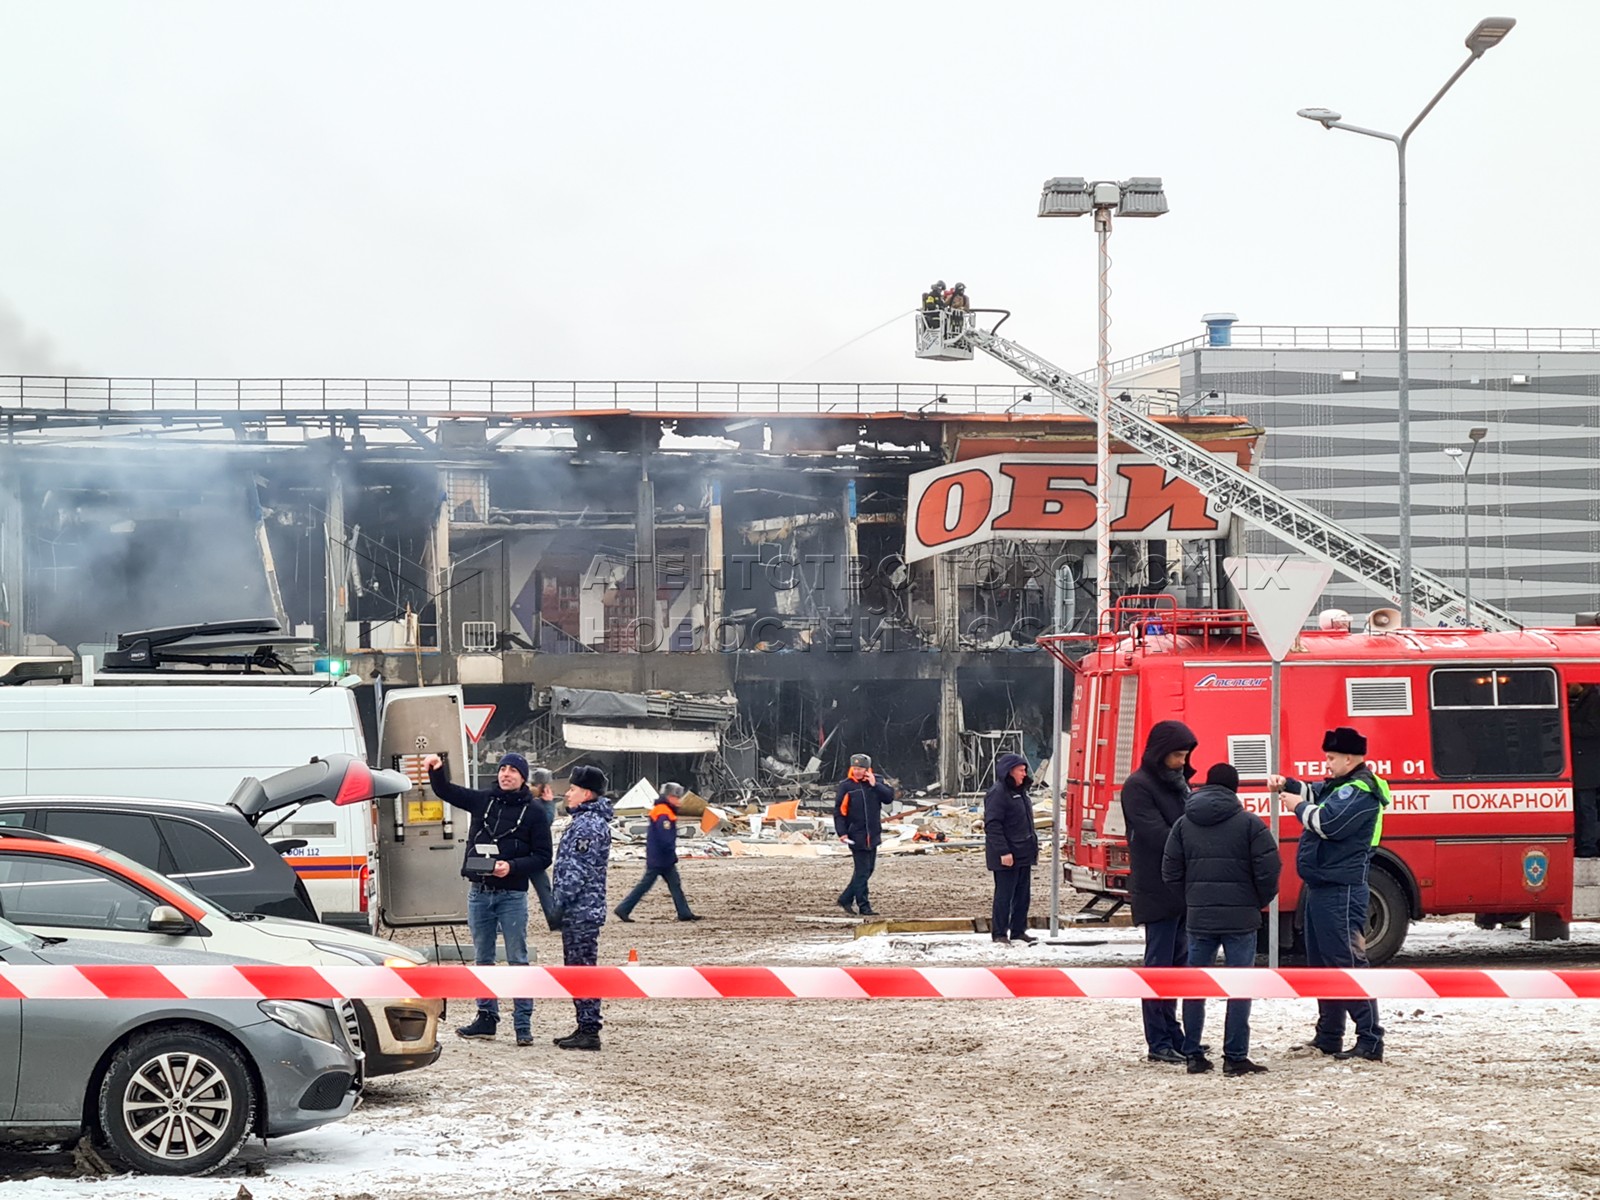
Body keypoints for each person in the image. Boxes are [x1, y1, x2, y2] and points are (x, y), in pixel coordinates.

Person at [1270, 726, 1391, 1062]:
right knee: (1323, 964)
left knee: (1346, 963)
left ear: (1349, 758)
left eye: (1331, 758)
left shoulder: (1361, 791)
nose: (1326, 763)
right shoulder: (1341, 786)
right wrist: (1288, 784)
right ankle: (1329, 1036)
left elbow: (1327, 822)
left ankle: (1369, 1038)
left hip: (1342, 890)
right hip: (1323, 887)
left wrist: (1295, 805)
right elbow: (1314, 792)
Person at [422, 750, 552, 1047]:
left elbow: (544, 857)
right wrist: (436, 769)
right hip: (480, 893)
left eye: (513, 771)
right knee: (483, 959)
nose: (506, 774)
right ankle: (486, 1018)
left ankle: (522, 1024)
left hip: (512, 895)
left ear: (522, 778)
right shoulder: (483, 800)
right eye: (503, 769)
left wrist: (513, 867)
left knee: (518, 959)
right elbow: (446, 791)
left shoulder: (533, 812)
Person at [1162, 762, 1280, 1076]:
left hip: (1199, 920)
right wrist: (1256, 902)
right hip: (1241, 921)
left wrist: (1191, 901)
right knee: (1239, 986)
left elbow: (1170, 871)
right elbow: (1270, 869)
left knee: (1195, 986)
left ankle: (1193, 1055)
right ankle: (1236, 1057)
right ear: (1234, 788)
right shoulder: (1250, 824)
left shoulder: (1184, 824)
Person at [1121, 719, 1199, 1064]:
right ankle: (1158, 1040)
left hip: (1181, 889)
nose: (1182, 762)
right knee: (1158, 966)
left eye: (1185, 756)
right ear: (1160, 753)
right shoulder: (1138, 787)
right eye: (1177, 755)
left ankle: (1174, 1033)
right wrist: (1196, 847)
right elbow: (1157, 834)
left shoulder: (1178, 783)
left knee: (1177, 966)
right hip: (1156, 888)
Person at [550, 763, 614, 1051]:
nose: (568, 794)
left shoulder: (588, 824)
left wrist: (558, 903)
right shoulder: (584, 821)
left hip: (581, 910)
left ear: (586, 794)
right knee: (577, 969)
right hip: (581, 910)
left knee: (582, 970)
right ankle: (584, 1025)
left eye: (573, 789)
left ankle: (589, 1029)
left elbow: (577, 871)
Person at [614, 782, 701, 922]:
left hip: (660, 857)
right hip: (661, 858)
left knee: (672, 884)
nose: (679, 800)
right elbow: (664, 836)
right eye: (676, 797)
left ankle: (684, 912)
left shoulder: (662, 810)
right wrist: (670, 851)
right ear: (669, 797)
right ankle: (623, 908)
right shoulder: (663, 811)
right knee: (648, 885)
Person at [984, 753, 1039, 945]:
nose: (1025, 774)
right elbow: (993, 825)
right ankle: (999, 933)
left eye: (1025, 770)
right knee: (1004, 895)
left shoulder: (1021, 791)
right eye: (1021, 770)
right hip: (1008, 854)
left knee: (1023, 895)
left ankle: (1018, 930)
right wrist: (1003, 852)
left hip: (1023, 852)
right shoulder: (998, 793)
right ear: (1009, 771)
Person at [834, 754, 892, 916]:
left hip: (872, 834)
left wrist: (875, 785)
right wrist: (842, 833)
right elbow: (839, 812)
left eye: (860, 769)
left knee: (869, 869)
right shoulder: (846, 786)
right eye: (855, 768)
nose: (857, 772)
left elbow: (889, 798)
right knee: (862, 871)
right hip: (856, 835)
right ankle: (864, 906)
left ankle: (845, 898)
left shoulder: (878, 781)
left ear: (867, 769)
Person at [1568, 683, 1600, 857]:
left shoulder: (1594, 699)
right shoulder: (1586, 698)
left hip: (1588, 763)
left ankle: (1588, 846)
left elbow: (1594, 728)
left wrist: (1567, 726)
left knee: (1586, 806)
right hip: (1584, 763)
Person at [528, 767, 560, 929]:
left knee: (508, 892)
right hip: (531, 855)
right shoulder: (536, 803)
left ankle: (554, 921)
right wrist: (549, 803)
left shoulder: (528, 798)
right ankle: (554, 922)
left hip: (526, 853)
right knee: (544, 890)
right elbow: (545, 822)